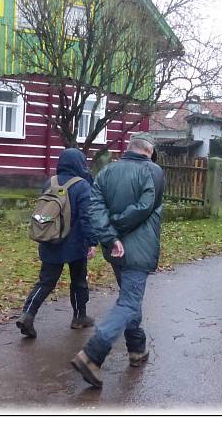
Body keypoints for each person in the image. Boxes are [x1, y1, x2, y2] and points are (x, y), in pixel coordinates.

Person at [70, 132, 164, 388]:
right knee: (130, 301)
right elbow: (146, 206)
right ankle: (92, 354)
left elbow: (95, 208)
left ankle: (136, 349)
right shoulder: (154, 171)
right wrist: (117, 227)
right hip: (139, 248)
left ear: (129, 148)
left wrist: (111, 236)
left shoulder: (106, 172)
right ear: (150, 150)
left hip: (116, 249)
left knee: (129, 298)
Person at [15, 148, 96, 338]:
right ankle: (79, 317)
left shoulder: (49, 182)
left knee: (45, 282)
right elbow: (86, 217)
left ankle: (28, 314)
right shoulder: (82, 185)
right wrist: (91, 242)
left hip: (50, 239)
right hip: (75, 243)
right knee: (78, 281)